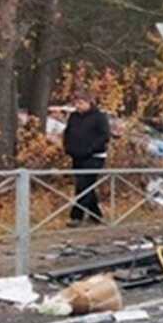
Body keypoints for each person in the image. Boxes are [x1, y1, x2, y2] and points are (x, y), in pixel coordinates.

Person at [62, 91, 110, 227]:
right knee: (87, 186)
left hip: (94, 156)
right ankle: (96, 215)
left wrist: (91, 149)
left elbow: (104, 136)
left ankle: (76, 217)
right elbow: (68, 132)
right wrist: (67, 147)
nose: (77, 106)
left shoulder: (99, 117)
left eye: (81, 103)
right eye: (76, 103)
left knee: (83, 186)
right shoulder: (74, 117)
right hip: (76, 155)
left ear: (89, 102)